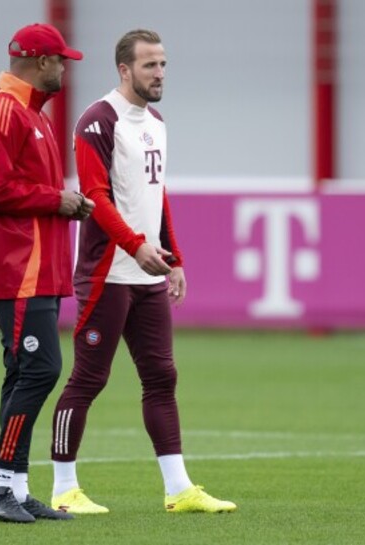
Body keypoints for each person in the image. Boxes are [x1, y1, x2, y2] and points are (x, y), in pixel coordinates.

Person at [49, 29, 237, 515]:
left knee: (161, 377)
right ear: (124, 69)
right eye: (150, 65)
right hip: (107, 274)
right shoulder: (97, 121)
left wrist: (175, 259)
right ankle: (63, 490)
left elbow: (158, 194)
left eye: (163, 64)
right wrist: (135, 245)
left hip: (148, 275)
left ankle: (178, 489)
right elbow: (95, 198)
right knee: (88, 379)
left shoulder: (156, 122)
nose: (160, 73)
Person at [0, 22, 94, 524]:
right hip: (17, 268)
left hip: (36, 267)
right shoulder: (0, 112)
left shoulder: (32, 115)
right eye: (61, 61)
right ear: (41, 62)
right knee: (41, 369)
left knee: (24, 370)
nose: (64, 70)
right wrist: (57, 200)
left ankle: (14, 487)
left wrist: (62, 202)